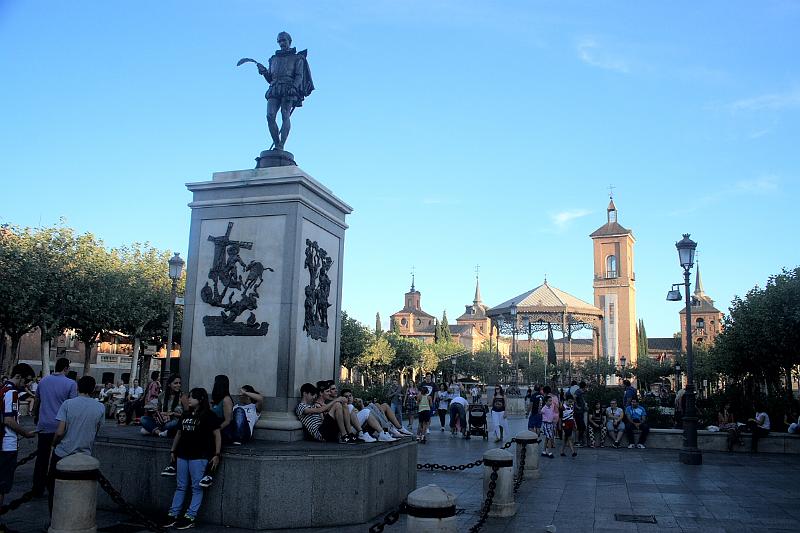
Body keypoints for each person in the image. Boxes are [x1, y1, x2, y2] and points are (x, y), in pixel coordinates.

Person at [162, 388, 221, 530]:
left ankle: (190, 516)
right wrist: (173, 450)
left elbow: (217, 434)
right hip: (182, 454)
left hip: (199, 455)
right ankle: (173, 514)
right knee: (180, 486)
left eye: (192, 397)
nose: (189, 399)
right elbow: (179, 433)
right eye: (189, 397)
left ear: (200, 399)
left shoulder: (209, 415)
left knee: (196, 487)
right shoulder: (186, 414)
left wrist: (217, 454)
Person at [47, 375, 105, 513]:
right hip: (85, 454)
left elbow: (60, 431)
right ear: (93, 389)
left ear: (77, 387)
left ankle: (54, 517)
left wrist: (53, 444)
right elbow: (97, 430)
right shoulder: (100, 407)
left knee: (53, 488)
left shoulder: (67, 404)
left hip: (63, 452)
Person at [256, 31, 314, 151]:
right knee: (270, 116)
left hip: (288, 88)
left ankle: (281, 145)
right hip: (274, 88)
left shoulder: (297, 58)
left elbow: (299, 76)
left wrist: (294, 87)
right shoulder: (273, 59)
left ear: (289, 41)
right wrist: (264, 72)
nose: (282, 43)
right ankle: (276, 142)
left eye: (284, 40)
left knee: (285, 114)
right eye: (279, 41)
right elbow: (270, 79)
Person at [32, 357, 77, 498]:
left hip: (44, 423)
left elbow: (37, 399)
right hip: (60, 426)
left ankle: (37, 487)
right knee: (58, 457)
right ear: (66, 368)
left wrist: (35, 414)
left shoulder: (43, 381)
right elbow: (72, 405)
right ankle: (53, 486)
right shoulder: (71, 383)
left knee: (41, 457)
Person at [0, 364, 37, 516]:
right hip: (6, 444)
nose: (26, 385)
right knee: (2, 485)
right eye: (26, 381)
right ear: (18, 376)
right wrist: (25, 433)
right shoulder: (12, 393)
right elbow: (9, 420)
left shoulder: (3, 389)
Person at [210, 375, 235, 444]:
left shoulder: (226, 400)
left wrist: (215, 430)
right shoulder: (216, 399)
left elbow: (227, 421)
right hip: (215, 427)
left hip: (223, 430)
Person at [574, 382, 588, 447]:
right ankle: (578, 442)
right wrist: (577, 406)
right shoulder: (578, 391)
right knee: (581, 427)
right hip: (578, 412)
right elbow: (574, 397)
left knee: (582, 427)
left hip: (581, 412)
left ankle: (580, 441)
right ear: (584, 387)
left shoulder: (581, 392)